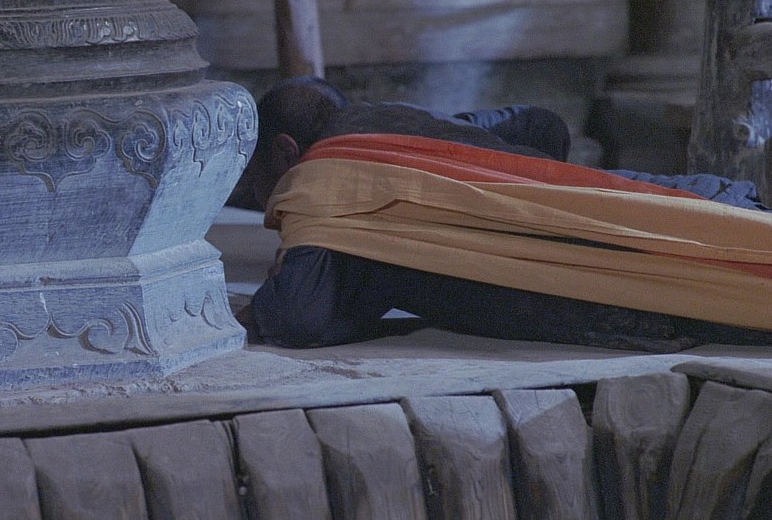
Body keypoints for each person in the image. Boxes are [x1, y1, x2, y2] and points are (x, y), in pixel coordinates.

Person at [237, 76, 772, 352]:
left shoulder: (323, 178)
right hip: (686, 204)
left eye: (263, 192)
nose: (275, 213)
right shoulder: (402, 124)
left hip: (634, 288)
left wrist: (279, 282)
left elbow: (296, 317)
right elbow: (542, 125)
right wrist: (519, 207)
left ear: (286, 154)